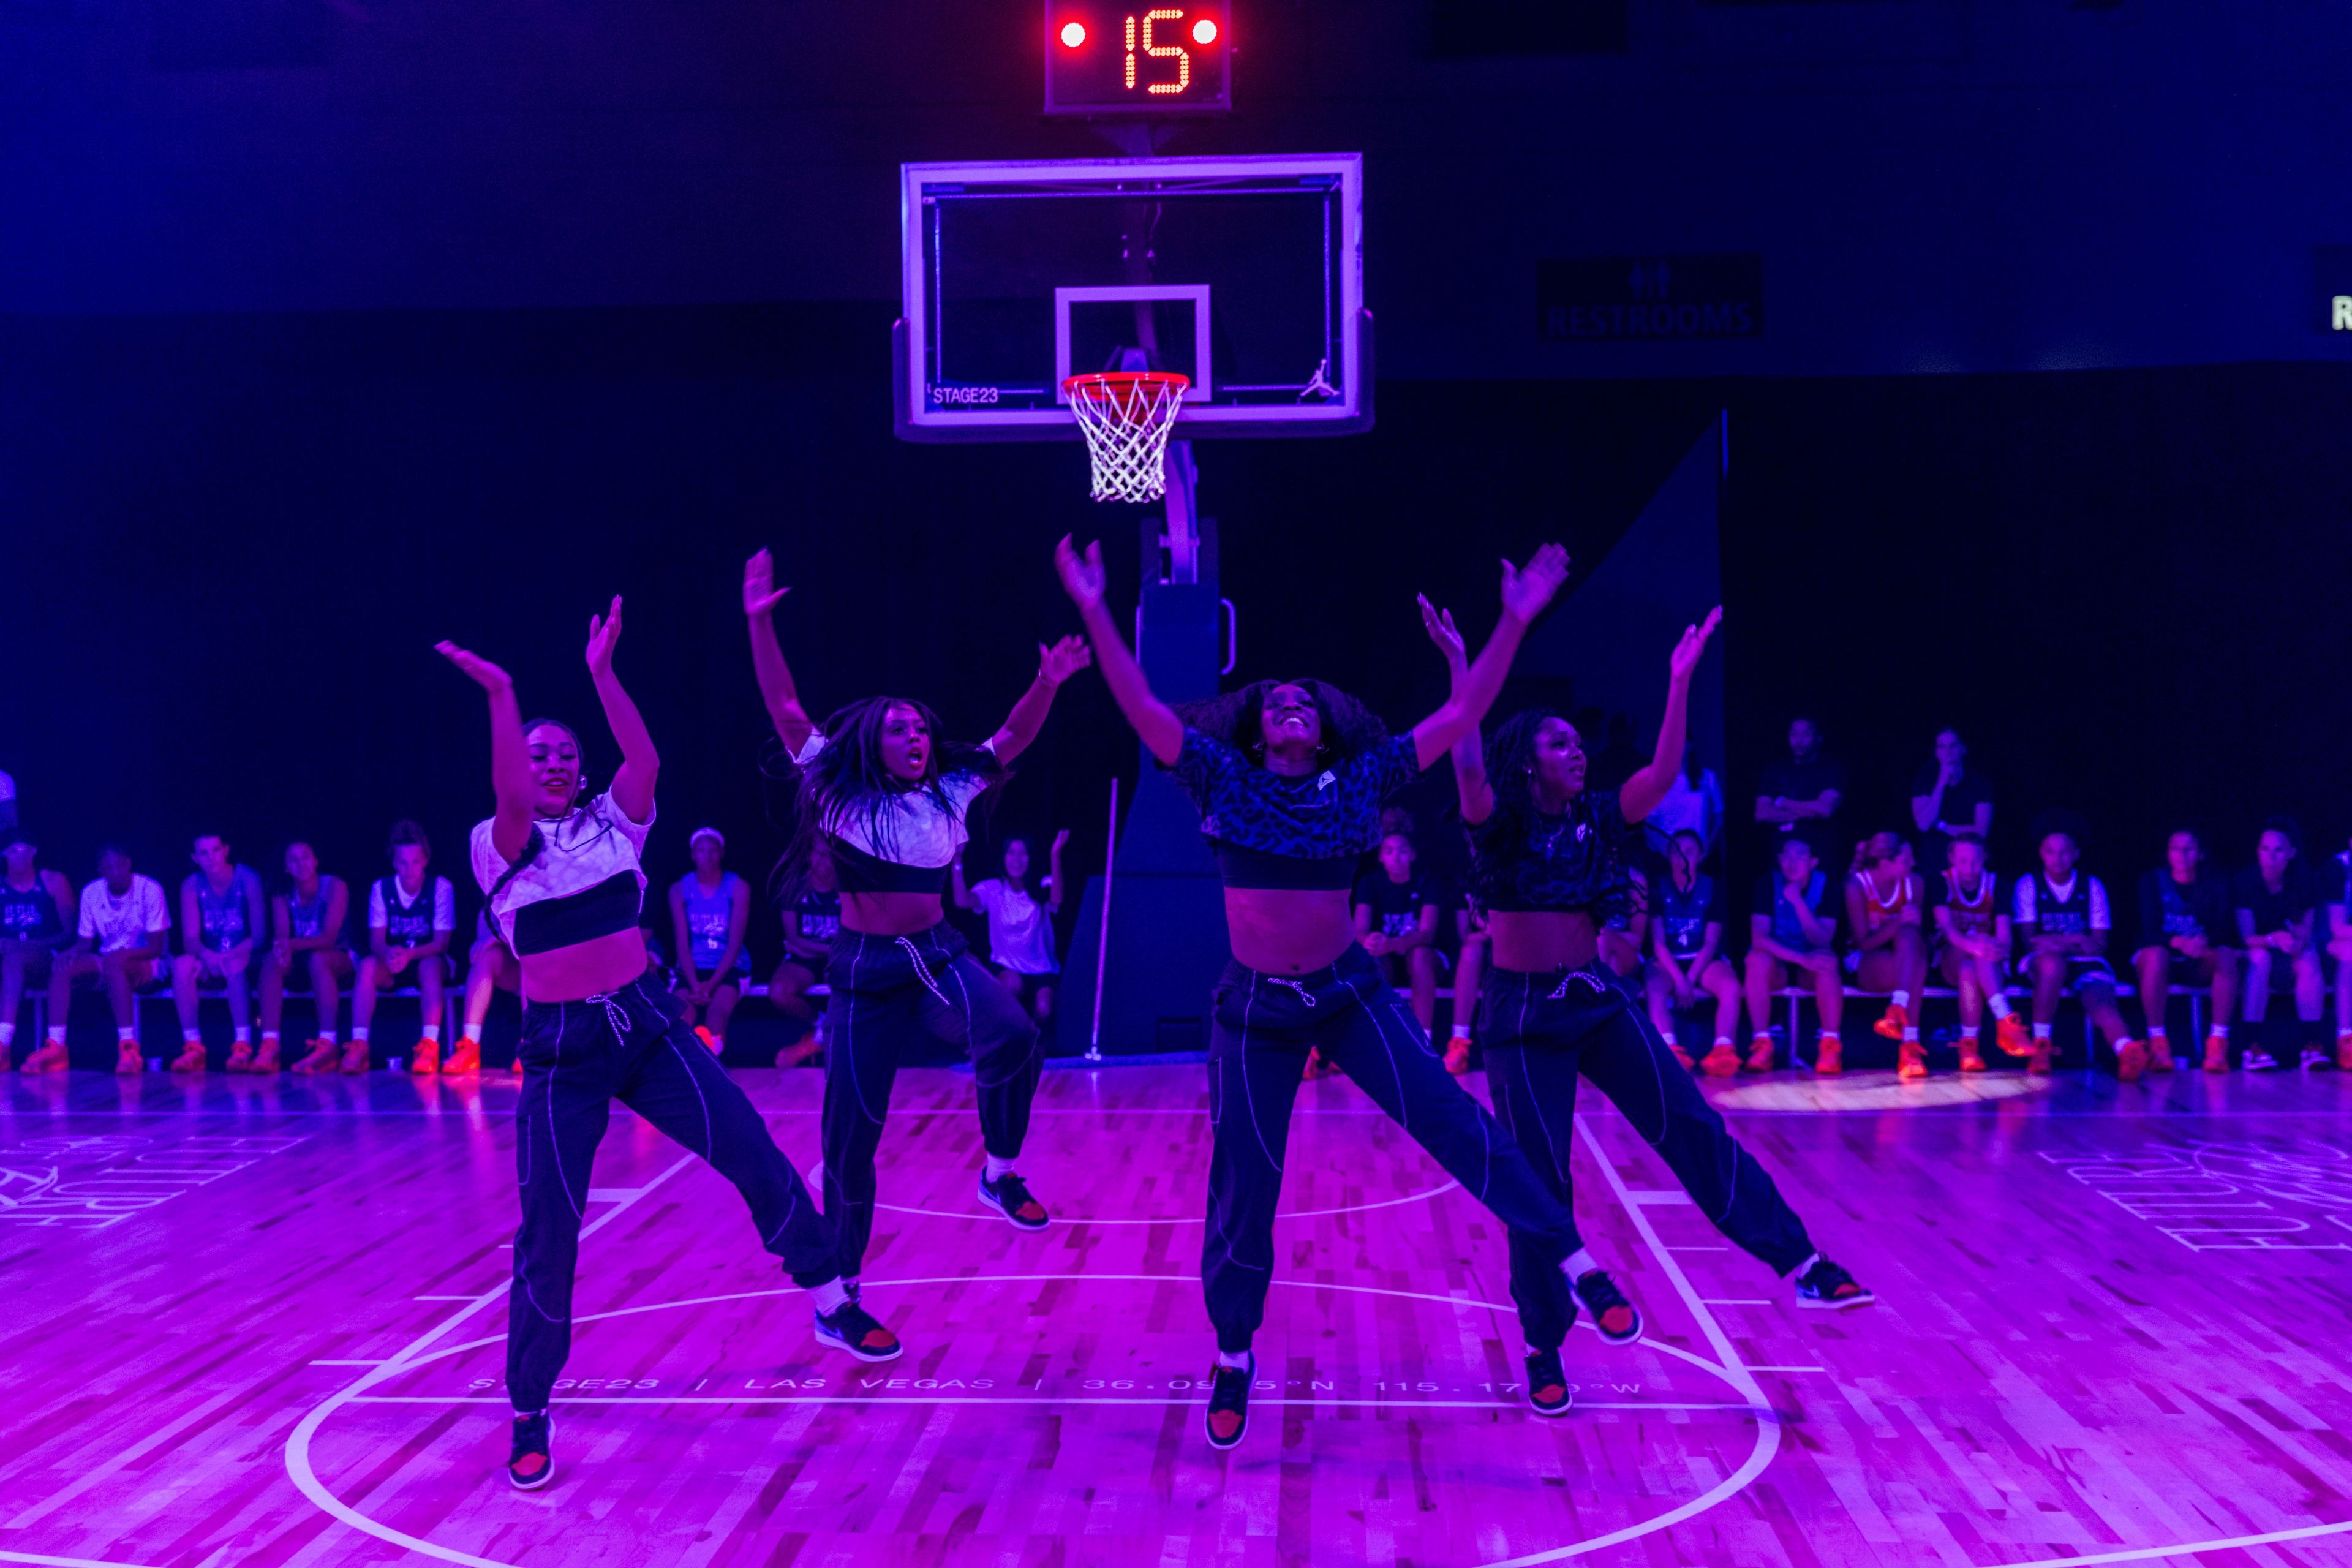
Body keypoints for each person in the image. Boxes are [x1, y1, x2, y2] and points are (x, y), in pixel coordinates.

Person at [1060, 533, 1648, 1447]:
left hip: (1349, 994)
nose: (1291, 705)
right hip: (1255, 1010)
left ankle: (1573, 1260)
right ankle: (1233, 1353)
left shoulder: (1362, 779)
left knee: (1457, 1123)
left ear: (1324, 727)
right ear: (1257, 730)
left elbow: (1466, 714)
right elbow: (1138, 702)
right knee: (1243, 1183)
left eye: (1305, 702)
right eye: (1277, 702)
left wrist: (1515, 621)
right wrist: (1096, 606)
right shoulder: (1221, 772)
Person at [439, 596, 872, 1494]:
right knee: (550, 1231)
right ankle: (529, 1409)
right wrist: (504, 696)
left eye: (563, 753)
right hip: (563, 1049)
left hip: (647, 1023)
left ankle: (831, 1297)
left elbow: (646, 758)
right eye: (537, 752)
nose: (550, 763)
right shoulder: (497, 842)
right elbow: (512, 794)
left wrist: (602, 674)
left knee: (751, 1151)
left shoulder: (614, 824)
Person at [1430, 597, 1876, 1411]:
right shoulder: (1496, 825)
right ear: (1527, 764)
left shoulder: (1599, 817)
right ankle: (1542, 1343)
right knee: (1541, 1182)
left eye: (1575, 740)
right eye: (1558, 742)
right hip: (1523, 1023)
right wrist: (1461, 673)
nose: (1576, 750)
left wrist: (1679, 683)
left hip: (1594, 1003)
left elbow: (1663, 777)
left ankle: (1802, 1264)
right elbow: (1465, 765)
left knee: (1693, 1126)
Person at [750, 549, 1084, 1296]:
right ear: (871, 741)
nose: (916, 738)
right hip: (865, 968)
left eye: (921, 731)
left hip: (935, 955)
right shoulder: (838, 790)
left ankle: (999, 1172)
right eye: (900, 731)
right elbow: (787, 708)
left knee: (1014, 1034)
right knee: (852, 1138)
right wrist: (758, 623)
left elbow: (1011, 737)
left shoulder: (950, 789)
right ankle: (843, 1294)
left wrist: (1048, 681)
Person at [322, 822, 456, 1075]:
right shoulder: (381, 888)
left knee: (429, 967)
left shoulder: (441, 887)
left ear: (425, 861)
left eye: (415, 862)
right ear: (394, 863)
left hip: (427, 959)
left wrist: (410, 954)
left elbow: (441, 943)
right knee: (369, 965)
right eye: (403, 863)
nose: (410, 870)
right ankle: (359, 1046)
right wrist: (390, 954)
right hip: (393, 961)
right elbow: (376, 942)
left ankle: (429, 1045)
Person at [2014, 829, 2139, 1078]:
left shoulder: (2092, 886)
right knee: (2052, 965)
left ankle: (2127, 1051)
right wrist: (2077, 939)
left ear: (2076, 855)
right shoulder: (2029, 884)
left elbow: (2099, 945)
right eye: (2051, 851)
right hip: (2043, 961)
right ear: (2042, 854)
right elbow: (2030, 942)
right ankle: (2041, 1047)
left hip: (2085, 961)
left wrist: (2056, 942)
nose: (2057, 858)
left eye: (2064, 852)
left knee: (2100, 999)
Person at [41, 846, 171, 1075]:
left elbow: (156, 948)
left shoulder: (149, 889)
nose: (117, 872)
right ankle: (56, 1047)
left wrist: (125, 954)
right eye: (110, 868)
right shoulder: (92, 892)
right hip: (109, 959)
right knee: (63, 967)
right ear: (101, 871)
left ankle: (128, 1048)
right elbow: (85, 943)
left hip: (147, 962)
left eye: (121, 866)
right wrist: (72, 952)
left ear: (129, 864)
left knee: (115, 965)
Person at [2132, 830, 2237, 1075]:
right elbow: (2147, 930)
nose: (2182, 854)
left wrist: (2204, 941)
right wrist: (2178, 942)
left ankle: (2217, 1044)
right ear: (2168, 854)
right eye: (2176, 848)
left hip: (2197, 959)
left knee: (2226, 955)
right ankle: (2158, 1043)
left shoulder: (2215, 883)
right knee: (2157, 955)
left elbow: (2225, 929)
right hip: (2161, 959)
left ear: (2200, 854)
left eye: (2189, 848)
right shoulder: (2152, 881)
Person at [1741, 834, 1842, 1074]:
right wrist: (1800, 958)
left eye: (1800, 856)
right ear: (1779, 859)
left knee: (1828, 962)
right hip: (1781, 964)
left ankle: (1830, 1045)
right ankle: (1762, 1044)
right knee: (1756, 959)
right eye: (1786, 855)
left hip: (1811, 964)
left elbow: (1823, 939)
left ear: (1813, 862)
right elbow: (1760, 938)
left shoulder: (1827, 885)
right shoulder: (1768, 883)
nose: (1791, 861)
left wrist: (1798, 902)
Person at [254, 841, 353, 1074]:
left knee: (319, 959)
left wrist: (291, 945)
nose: (302, 865)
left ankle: (328, 1044)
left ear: (316, 861)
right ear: (287, 868)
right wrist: (283, 951)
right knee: (272, 959)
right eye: (294, 860)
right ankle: (270, 1044)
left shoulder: (334, 886)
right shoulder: (282, 892)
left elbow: (329, 938)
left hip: (341, 959)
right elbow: (282, 936)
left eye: (306, 858)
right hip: (303, 960)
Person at [170, 834, 267, 1073]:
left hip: (246, 956)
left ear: (226, 850)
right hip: (212, 958)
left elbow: (260, 937)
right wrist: (208, 955)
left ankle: (243, 1044)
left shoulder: (248, 878)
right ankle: (193, 1047)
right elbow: (190, 940)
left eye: (215, 850)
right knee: (182, 965)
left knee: (233, 964)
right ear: (195, 858)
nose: (211, 857)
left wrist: (226, 956)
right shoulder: (191, 885)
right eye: (203, 853)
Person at [952, 831, 1069, 1026]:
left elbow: (1057, 898)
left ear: (1030, 858)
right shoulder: (993, 889)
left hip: (1042, 968)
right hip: (1007, 965)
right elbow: (962, 901)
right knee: (1012, 989)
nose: (1017, 860)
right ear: (1004, 857)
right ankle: (1009, 1038)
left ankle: (1032, 1041)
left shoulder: (1042, 885)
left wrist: (1055, 853)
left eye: (1023, 854)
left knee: (1044, 1010)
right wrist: (957, 859)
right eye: (1011, 853)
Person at [1645, 827, 1739, 1073]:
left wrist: (1690, 979)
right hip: (1668, 960)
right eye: (1676, 851)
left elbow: (1710, 943)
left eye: (1689, 851)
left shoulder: (1713, 887)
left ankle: (1723, 1049)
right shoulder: (1658, 887)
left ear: (1700, 855)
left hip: (1701, 959)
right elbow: (1658, 943)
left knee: (1731, 985)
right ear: (1668, 856)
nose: (1682, 857)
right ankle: (1669, 1049)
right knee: (1654, 984)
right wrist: (1679, 980)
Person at [2234, 816, 2322, 1072]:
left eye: (2278, 850)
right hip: (2252, 954)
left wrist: (2297, 939)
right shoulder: (2245, 881)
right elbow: (2247, 937)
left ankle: (2311, 1046)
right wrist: (2274, 939)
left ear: (2292, 853)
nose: (2270, 856)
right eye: (2265, 849)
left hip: (2287, 955)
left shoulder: (2304, 882)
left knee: (2309, 957)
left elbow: (2306, 929)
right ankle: (2251, 1047)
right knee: (2261, 957)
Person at [1844, 832, 1931, 1078]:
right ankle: (1909, 1046)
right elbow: (1863, 944)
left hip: (1907, 957)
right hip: (1868, 960)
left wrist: (1906, 926)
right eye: (1907, 859)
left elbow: (1917, 940)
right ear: (1885, 864)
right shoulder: (1857, 885)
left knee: (1911, 943)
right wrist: (1896, 924)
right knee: (1914, 965)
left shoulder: (1915, 883)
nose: (1913, 864)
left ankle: (1897, 1010)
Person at [1931, 831, 2014, 1073]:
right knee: (1970, 954)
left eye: (1976, 860)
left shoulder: (1998, 884)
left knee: (1971, 967)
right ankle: (2005, 1019)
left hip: (1988, 961)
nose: (1970, 867)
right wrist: (1976, 945)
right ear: (1952, 858)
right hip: (1950, 959)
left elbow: (2005, 938)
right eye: (1964, 861)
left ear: (1985, 857)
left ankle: (1969, 1048)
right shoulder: (1942, 882)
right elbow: (1947, 931)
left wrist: (1989, 948)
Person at [1348, 829, 1446, 1033]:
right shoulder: (1370, 883)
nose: (1396, 858)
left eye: (1402, 851)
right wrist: (1370, 940)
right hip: (1386, 958)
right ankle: (1368, 1038)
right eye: (1389, 852)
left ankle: (1423, 1038)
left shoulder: (1427, 881)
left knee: (1419, 955)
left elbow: (1427, 934)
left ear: (1412, 855)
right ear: (1381, 857)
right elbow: (1359, 931)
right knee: (1367, 959)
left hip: (1427, 960)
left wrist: (1390, 944)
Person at [669, 827, 752, 1056]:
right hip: (691, 968)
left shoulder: (738, 887)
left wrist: (712, 984)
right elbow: (682, 943)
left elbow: (735, 944)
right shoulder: (679, 889)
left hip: (729, 968)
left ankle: (712, 1073)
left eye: (713, 850)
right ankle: (686, 1075)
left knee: (717, 1014)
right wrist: (695, 984)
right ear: (692, 854)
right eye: (701, 850)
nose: (707, 856)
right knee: (681, 1018)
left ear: (722, 853)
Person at [1, 836, 77, 1069]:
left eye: (26, 850)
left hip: (46, 959)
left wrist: (27, 947)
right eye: (14, 851)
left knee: (15, 958)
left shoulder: (53, 881)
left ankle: (3, 1044)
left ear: (34, 852)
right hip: (9, 960)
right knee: (12, 959)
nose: (21, 856)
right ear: (4, 855)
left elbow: (70, 934)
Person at [769, 848, 841, 1068]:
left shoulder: (847, 889)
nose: (822, 861)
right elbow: (792, 938)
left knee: (845, 986)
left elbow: (851, 938)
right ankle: (822, 1025)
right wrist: (813, 950)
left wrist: (810, 950)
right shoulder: (793, 887)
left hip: (837, 955)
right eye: (817, 854)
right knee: (779, 992)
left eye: (828, 855)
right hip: (809, 956)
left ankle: (817, 1041)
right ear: (808, 855)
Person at [1754, 717, 1846, 865]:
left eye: (1806, 735)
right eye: (1794, 735)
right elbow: (1761, 813)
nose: (1799, 741)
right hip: (1781, 859)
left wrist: (1782, 802)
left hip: (1819, 858)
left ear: (1819, 739)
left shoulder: (1831, 770)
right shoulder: (1775, 770)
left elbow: (1825, 810)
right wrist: (1809, 811)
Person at [1909, 728, 1995, 873]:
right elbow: (1923, 824)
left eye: (1953, 746)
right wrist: (1942, 782)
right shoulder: (1924, 781)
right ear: (1936, 752)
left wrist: (1943, 826)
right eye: (1942, 747)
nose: (1948, 752)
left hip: (1969, 862)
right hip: (1933, 861)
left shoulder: (1979, 783)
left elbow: (1981, 832)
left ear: (1963, 749)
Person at [448, 910, 521, 1077]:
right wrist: (494, 939)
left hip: (545, 970)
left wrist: (498, 936)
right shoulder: (489, 910)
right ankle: (470, 1045)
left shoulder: (533, 896)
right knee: (484, 956)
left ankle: (532, 1045)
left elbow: (536, 936)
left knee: (528, 957)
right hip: (512, 971)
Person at [1643, 743, 1724, 861]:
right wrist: (1667, 854)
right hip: (1664, 857)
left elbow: (1719, 819)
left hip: (1698, 856)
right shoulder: (1655, 781)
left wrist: (1707, 849)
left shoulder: (1708, 777)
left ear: (1690, 745)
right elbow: (1648, 823)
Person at [1442, 895, 1488, 1074]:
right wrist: (1488, 930)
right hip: (1482, 947)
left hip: (1513, 946)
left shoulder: (1515, 881)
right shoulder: (1467, 890)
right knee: (1471, 950)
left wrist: (1489, 929)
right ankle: (1459, 1044)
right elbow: (1465, 937)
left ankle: (1525, 1044)